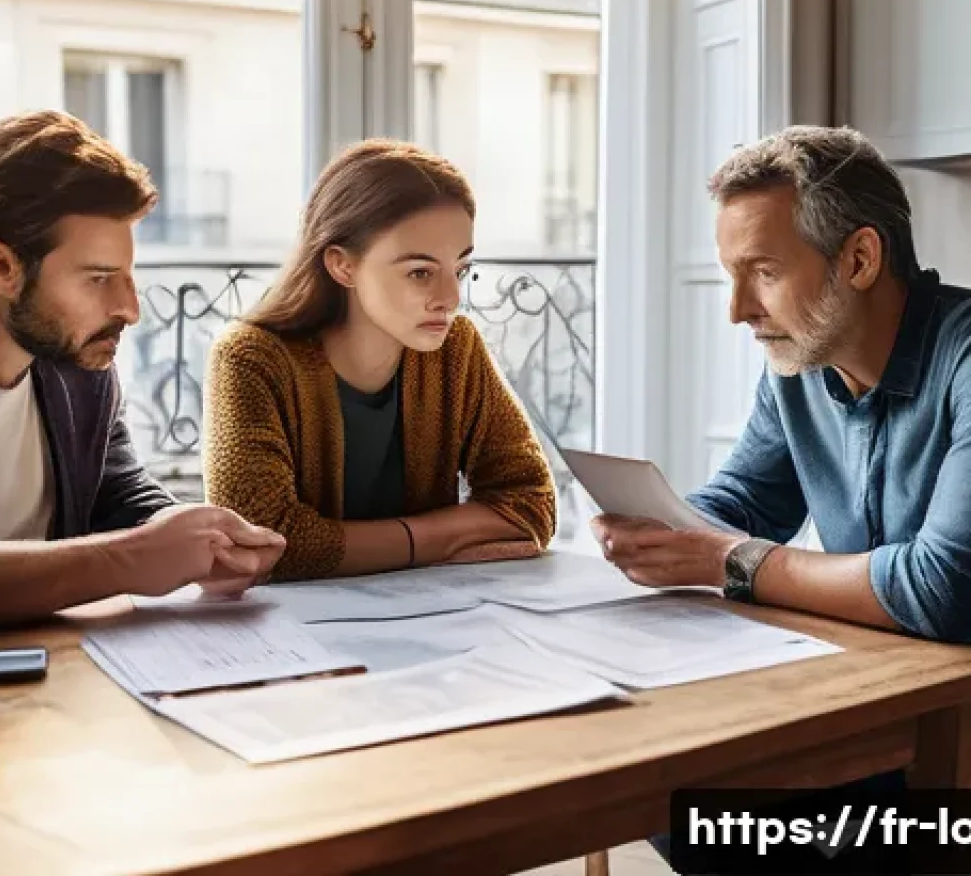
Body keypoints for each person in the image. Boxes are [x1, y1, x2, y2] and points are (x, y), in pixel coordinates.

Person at [593, 124, 971, 644]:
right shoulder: (801, 363)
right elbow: (749, 500)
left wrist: (728, 560)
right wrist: (661, 533)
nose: (738, 310)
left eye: (765, 272)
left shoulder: (964, 359)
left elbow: (945, 587)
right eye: (732, 276)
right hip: (878, 669)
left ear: (860, 259)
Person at [0, 111, 285, 634]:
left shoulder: (79, 363)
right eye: (98, 279)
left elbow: (116, 488)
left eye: (128, 277)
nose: (130, 309)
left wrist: (187, 535)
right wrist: (128, 560)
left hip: (44, 668)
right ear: (0, 267)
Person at [203, 139, 556, 580]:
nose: (450, 298)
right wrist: (439, 540)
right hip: (291, 634)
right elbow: (264, 541)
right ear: (342, 266)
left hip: (436, 618)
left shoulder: (457, 349)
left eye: (460, 270)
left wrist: (356, 545)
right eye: (420, 273)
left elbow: (531, 504)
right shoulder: (250, 360)